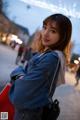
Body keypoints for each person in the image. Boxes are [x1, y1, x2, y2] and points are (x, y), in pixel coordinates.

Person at [9, 13, 72, 120]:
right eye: (44, 27)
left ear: (63, 36)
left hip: (27, 115)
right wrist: (22, 76)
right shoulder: (47, 54)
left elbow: (21, 94)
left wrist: (17, 73)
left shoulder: (51, 58)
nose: (45, 34)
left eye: (53, 31)